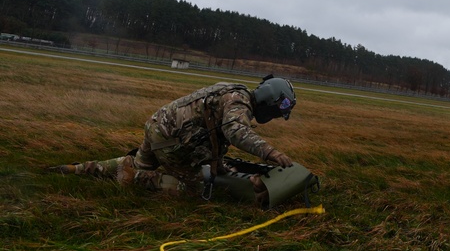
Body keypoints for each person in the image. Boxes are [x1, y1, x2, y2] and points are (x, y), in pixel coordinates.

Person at [50, 75, 297, 204]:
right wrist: (270, 153)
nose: (274, 117)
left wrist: (218, 164)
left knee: (138, 162)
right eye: (277, 112)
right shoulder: (238, 102)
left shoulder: (233, 90)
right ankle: (133, 177)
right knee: (197, 189)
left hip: (158, 127)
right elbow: (235, 131)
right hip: (171, 141)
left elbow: (217, 134)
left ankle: (79, 169)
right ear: (269, 102)